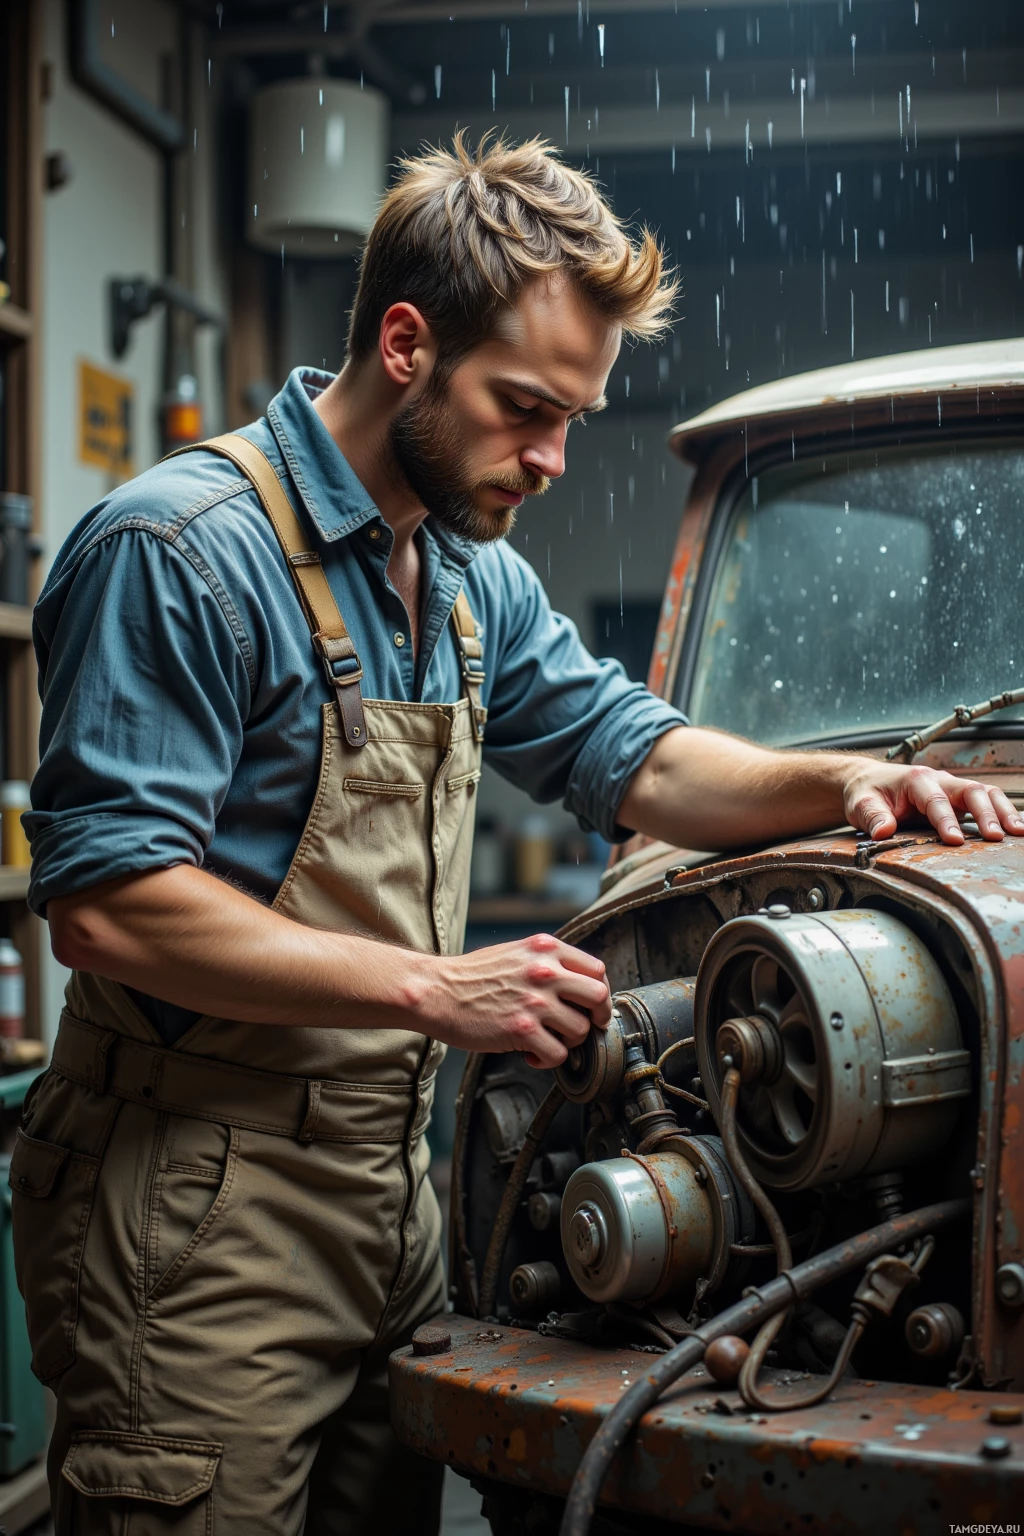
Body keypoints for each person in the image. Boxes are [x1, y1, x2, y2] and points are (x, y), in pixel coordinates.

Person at [13, 134, 1022, 1536]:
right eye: (526, 409)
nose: (551, 459)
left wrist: (843, 787)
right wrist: (441, 988)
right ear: (407, 343)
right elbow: (109, 906)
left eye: (575, 418)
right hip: (195, 1206)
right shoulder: (181, 553)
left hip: (390, 1198)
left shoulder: (467, 575)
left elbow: (640, 754)